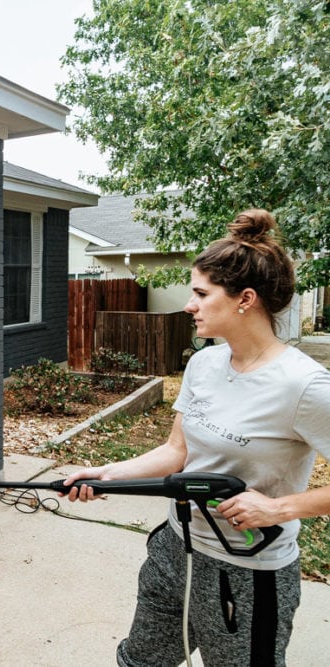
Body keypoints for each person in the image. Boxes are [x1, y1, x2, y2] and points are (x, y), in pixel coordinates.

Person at [64, 209, 330, 666]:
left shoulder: (303, 385)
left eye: (201, 293)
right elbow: (177, 450)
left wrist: (277, 508)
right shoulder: (205, 363)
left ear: (245, 299)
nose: (190, 304)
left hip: (249, 572)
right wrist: (105, 473)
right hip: (176, 549)